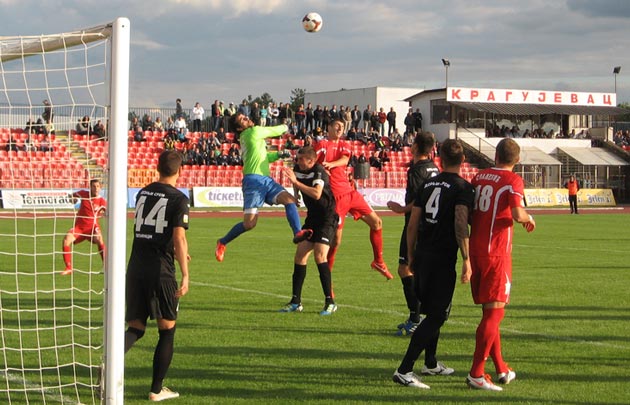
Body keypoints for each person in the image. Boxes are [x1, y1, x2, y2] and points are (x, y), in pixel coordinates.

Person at [392, 139, 475, 390]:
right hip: (442, 258)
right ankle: (404, 369)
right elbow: (460, 223)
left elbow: (413, 223)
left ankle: (430, 362)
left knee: (431, 311)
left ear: (440, 159)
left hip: (422, 254)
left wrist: (410, 254)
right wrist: (467, 259)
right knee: (438, 315)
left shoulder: (427, 184)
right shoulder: (463, 187)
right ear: (463, 161)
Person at [462, 137, 536, 391]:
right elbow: (516, 213)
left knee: (490, 313)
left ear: (496, 156)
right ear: (517, 160)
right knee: (494, 315)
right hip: (496, 252)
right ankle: (476, 373)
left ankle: (502, 368)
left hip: (475, 250)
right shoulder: (513, 180)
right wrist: (529, 218)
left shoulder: (480, 177)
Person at [124, 150, 190, 402]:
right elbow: (179, 237)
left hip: (136, 267)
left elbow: (151, 231)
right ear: (180, 170)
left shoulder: (143, 192)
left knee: (136, 328)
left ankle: (107, 366)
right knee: (167, 331)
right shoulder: (179, 198)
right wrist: (185, 274)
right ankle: (156, 389)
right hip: (161, 271)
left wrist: (175, 250)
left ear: (157, 167)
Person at [214, 112, 311, 262]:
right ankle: (222, 242)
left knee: (289, 199)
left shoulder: (249, 136)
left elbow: (264, 157)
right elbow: (275, 130)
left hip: (266, 180)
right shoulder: (253, 132)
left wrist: (278, 155)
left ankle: (298, 233)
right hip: (253, 181)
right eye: (242, 119)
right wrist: (287, 126)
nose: (247, 118)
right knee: (249, 224)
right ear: (239, 128)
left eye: (245, 116)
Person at [315, 118, 392, 280]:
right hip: (336, 197)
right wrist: (321, 168)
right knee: (336, 241)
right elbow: (312, 163)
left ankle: (378, 261)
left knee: (377, 222)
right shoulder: (322, 145)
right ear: (328, 127)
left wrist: (331, 164)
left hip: (350, 193)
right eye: (337, 125)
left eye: (342, 127)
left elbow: (344, 159)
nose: (340, 129)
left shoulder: (345, 144)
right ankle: (327, 276)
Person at [386, 132, 440, 336]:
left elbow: (419, 200)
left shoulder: (417, 170)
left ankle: (416, 318)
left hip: (416, 225)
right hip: (430, 224)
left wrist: (401, 209)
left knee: (405, 269)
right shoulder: (434, 167)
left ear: (416, 147)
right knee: (415, 270)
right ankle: (418, 316)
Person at [279, 147, 339, 315]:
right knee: (300, 255)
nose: (297, 161)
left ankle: (330, 302)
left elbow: (317, 194)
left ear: (311, 161)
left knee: (320, 255)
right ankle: (295, 301)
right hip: (312, 217)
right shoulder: (298, 169)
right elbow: (296, 180)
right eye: (297, 158)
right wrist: (296, 193)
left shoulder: (319, 171)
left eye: (301, 159)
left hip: (327, 217)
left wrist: (297, 183)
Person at [61, 179, 107, 275]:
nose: (96, 188)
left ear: (100, 188)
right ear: (90, 187)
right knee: (66, 239)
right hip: (80, 228)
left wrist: (104, 212)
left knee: (99, 239)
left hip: (92, 228)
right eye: (94, 186)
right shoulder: (83, 194)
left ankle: (106, 266)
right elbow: (71, 196)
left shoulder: (102, 201)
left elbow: (106, 210)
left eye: (98, 186)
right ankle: (68, 267)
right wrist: (72, 199)